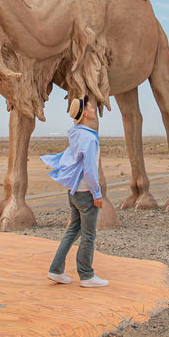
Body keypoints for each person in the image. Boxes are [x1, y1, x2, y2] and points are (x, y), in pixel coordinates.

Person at [40, 96, 109, 288]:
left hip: (74, 192)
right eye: (89, 106)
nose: (93, 108)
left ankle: (56, 270)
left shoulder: (75, 133)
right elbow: (89, 168)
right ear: (85, 113)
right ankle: (86, 275)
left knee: (72, 231)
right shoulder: (88, 137)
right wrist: (97, 193)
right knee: (88, 235)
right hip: (86, 192)